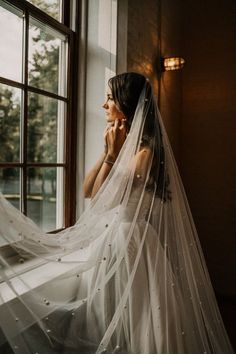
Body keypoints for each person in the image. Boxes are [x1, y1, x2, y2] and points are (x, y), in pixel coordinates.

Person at [0, 72, 234, 354]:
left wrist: (113, 155)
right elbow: (88, 190)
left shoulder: (145, 153)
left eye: (110, 98)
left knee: (138, 321)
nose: (103, 105)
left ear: (128, 104)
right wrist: (107, 152)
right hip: (115, 243)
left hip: (131, 244)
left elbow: (101, 201)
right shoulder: (126, 149)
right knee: (111, 318)